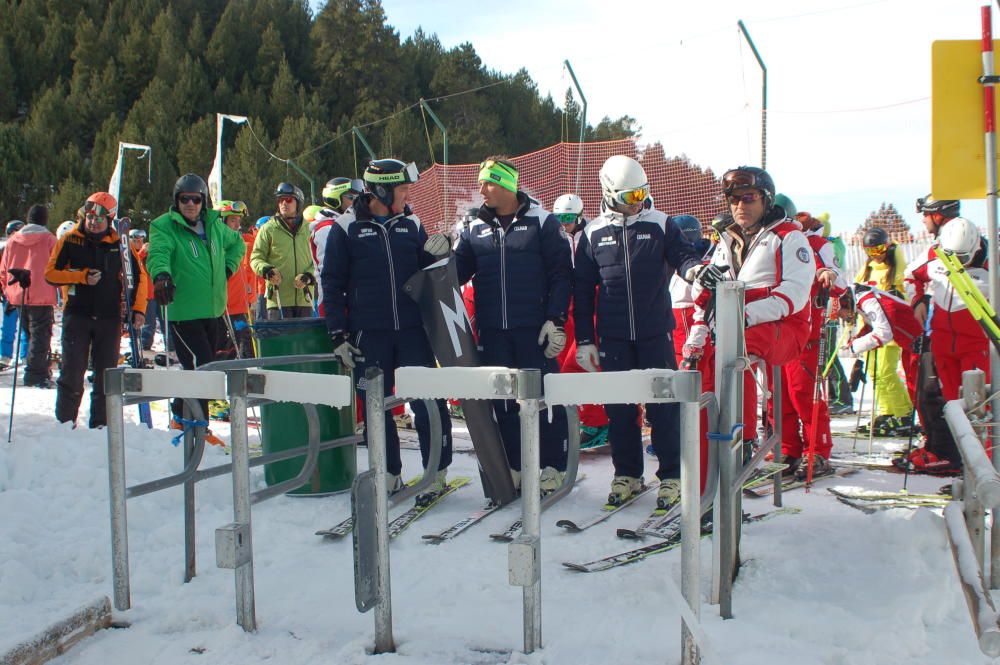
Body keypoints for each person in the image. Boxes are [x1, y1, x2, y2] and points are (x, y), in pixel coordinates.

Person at [321, 158, 453, 502]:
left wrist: (439, 254)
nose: (408, 194)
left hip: (412, 330)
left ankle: (436, 473)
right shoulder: (346, 227)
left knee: (429, 402)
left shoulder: (411, 222)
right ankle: (388, 473)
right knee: (376, 407)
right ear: (381, 190)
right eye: (402, 189)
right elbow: (332, 284)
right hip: (370, 334)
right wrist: (339, 335)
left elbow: (428, 270)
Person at [574, 156, 701, 507]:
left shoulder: (660, 223)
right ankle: (627, 473)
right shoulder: (592, 232)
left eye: (643, 194)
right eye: (631, 197)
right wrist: (586, 339)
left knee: (663, 407)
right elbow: (582, 291)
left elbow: (684, 255)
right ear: (610, 193)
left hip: (654, 331)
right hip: (614, 337)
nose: (639, 203)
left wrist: (694, 271)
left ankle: (672, 475)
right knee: (619, 410)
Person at [684, 166, 815, 478]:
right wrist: (702, 291)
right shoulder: (726, 239)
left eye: (748, 197)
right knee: (701, 367)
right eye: (733, 198)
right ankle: (704, 459)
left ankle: (740, 437)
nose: (740, 205)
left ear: (765, 200)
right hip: (735, 324)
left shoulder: (788, 237)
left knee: (732, 349)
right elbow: (704, 295)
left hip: (786, 326)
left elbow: (795, 293)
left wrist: (744, 316)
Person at [453, 156, 571, 495]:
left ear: (507, 185)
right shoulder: (474, 226)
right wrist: (438, 258)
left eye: (488, 182)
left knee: (543, 398)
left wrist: (556, 318)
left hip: (532, 329)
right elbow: (458, 272)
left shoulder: (542, 221)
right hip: (493, 331)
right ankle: (515, 466)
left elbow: (561, 273)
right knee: (502, 402)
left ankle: (552, 467)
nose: (481, 189)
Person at [146, 174, 245, 441]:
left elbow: (238, 244)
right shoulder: (165, 226)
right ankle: (198, 426)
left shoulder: (213, 225)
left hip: (212, 310)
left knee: (202, 367)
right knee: (203, 367)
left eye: (195, 199)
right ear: (176, 201)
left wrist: (228, 267)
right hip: (183, 311)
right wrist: (162, 275)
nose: (190, 204)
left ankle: (182, 416)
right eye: (184, 199)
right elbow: (158, 253)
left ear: (204, 201)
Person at [44, 193, 147, 428]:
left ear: (109, 219)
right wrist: (80, 276)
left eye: (99, 219)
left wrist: (138, 309)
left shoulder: (120, 243)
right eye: (89, 217)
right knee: (72, 371)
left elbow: (140, 278)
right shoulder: (70, 239)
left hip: (108, 317)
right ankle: (64, 422)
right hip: (77, 314)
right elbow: (50, 274)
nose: (93, 222)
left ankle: (101, 424)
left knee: (105, 374)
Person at [771, 210, 845, 479]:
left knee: (805, 393)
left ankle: (817, 449)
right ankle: (788, 449)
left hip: (806, 333)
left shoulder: (816, 245)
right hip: (775, 334)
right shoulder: (767, 242)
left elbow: (841, 281)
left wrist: (828, 274)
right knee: (778, 398)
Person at [551, 193, 609, 449]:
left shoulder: (589, 236)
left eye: (568, 218)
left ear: (579, 216)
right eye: (558, 218)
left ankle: (597, 422)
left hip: (589, 305)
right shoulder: (554, 238)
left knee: (584, 366)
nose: (563, 224)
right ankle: (581, 420)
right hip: (567, 306)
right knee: (562, 366)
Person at [838, 283, 921, 435]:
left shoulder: (868, 299)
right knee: (912, 386)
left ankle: (911, 420)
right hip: (909, 345)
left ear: (844, 302)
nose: (843, 317)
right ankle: (899, 416)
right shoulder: (862, 300)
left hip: (920, 345)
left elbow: (883, 332)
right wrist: (857, 339)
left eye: (840, 313)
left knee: (917, 388)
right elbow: (872, 325)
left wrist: (855, 346)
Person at [853, 226, 914, 434]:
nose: (875, 256)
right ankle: (887, 411)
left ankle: (903, 412)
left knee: (887, 372)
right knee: (874, 372)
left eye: (879, 250)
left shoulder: (896, 269)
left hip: (890, 330)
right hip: (870, 328)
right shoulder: (867, 269)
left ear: (887, 247)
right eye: (870, 252)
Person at [0, 205, 57, 387]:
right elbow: (57, 266)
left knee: (29, 333)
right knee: (40, 336)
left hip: (18, 294)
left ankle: (35, 369)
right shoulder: (49, 240)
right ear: (45, 219)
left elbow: (4, 270)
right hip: (42, 293)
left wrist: (7, 292)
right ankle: (35, 374)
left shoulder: (13, 241)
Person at [250, 183, 316, 319]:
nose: (283, 204)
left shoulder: (309, 229)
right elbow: (255, 258)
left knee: (303, 340)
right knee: (281, 340)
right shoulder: (268, 229)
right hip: (278, 299)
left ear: (298, 202)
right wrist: (267, 270)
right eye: (280, 200)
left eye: (288, 200)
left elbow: (319, 260)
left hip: (305, 299)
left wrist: (309, 276)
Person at [669, 214, 711, 367]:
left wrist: (694, 339)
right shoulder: (679, 262)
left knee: (695, 374)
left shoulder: (698, 264)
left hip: (690, 325)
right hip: (680, 326)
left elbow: (703, 304)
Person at [216, 200, 255, 359]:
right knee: (223, 351)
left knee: (244, 349)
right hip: (223, 309)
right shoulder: (216, 245)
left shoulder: (238, 242)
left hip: (239, 307)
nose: (237, 225)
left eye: (239, 221)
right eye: (233, 220)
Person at [1, 220, 26, 369]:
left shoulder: (27, 248)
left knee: (26, 326)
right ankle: (5, 355)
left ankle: (25, 356)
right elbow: (1, 271)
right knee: (8, 326)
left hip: (26, 292)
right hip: (9, 293)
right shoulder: (4, 250)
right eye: (13, 233)